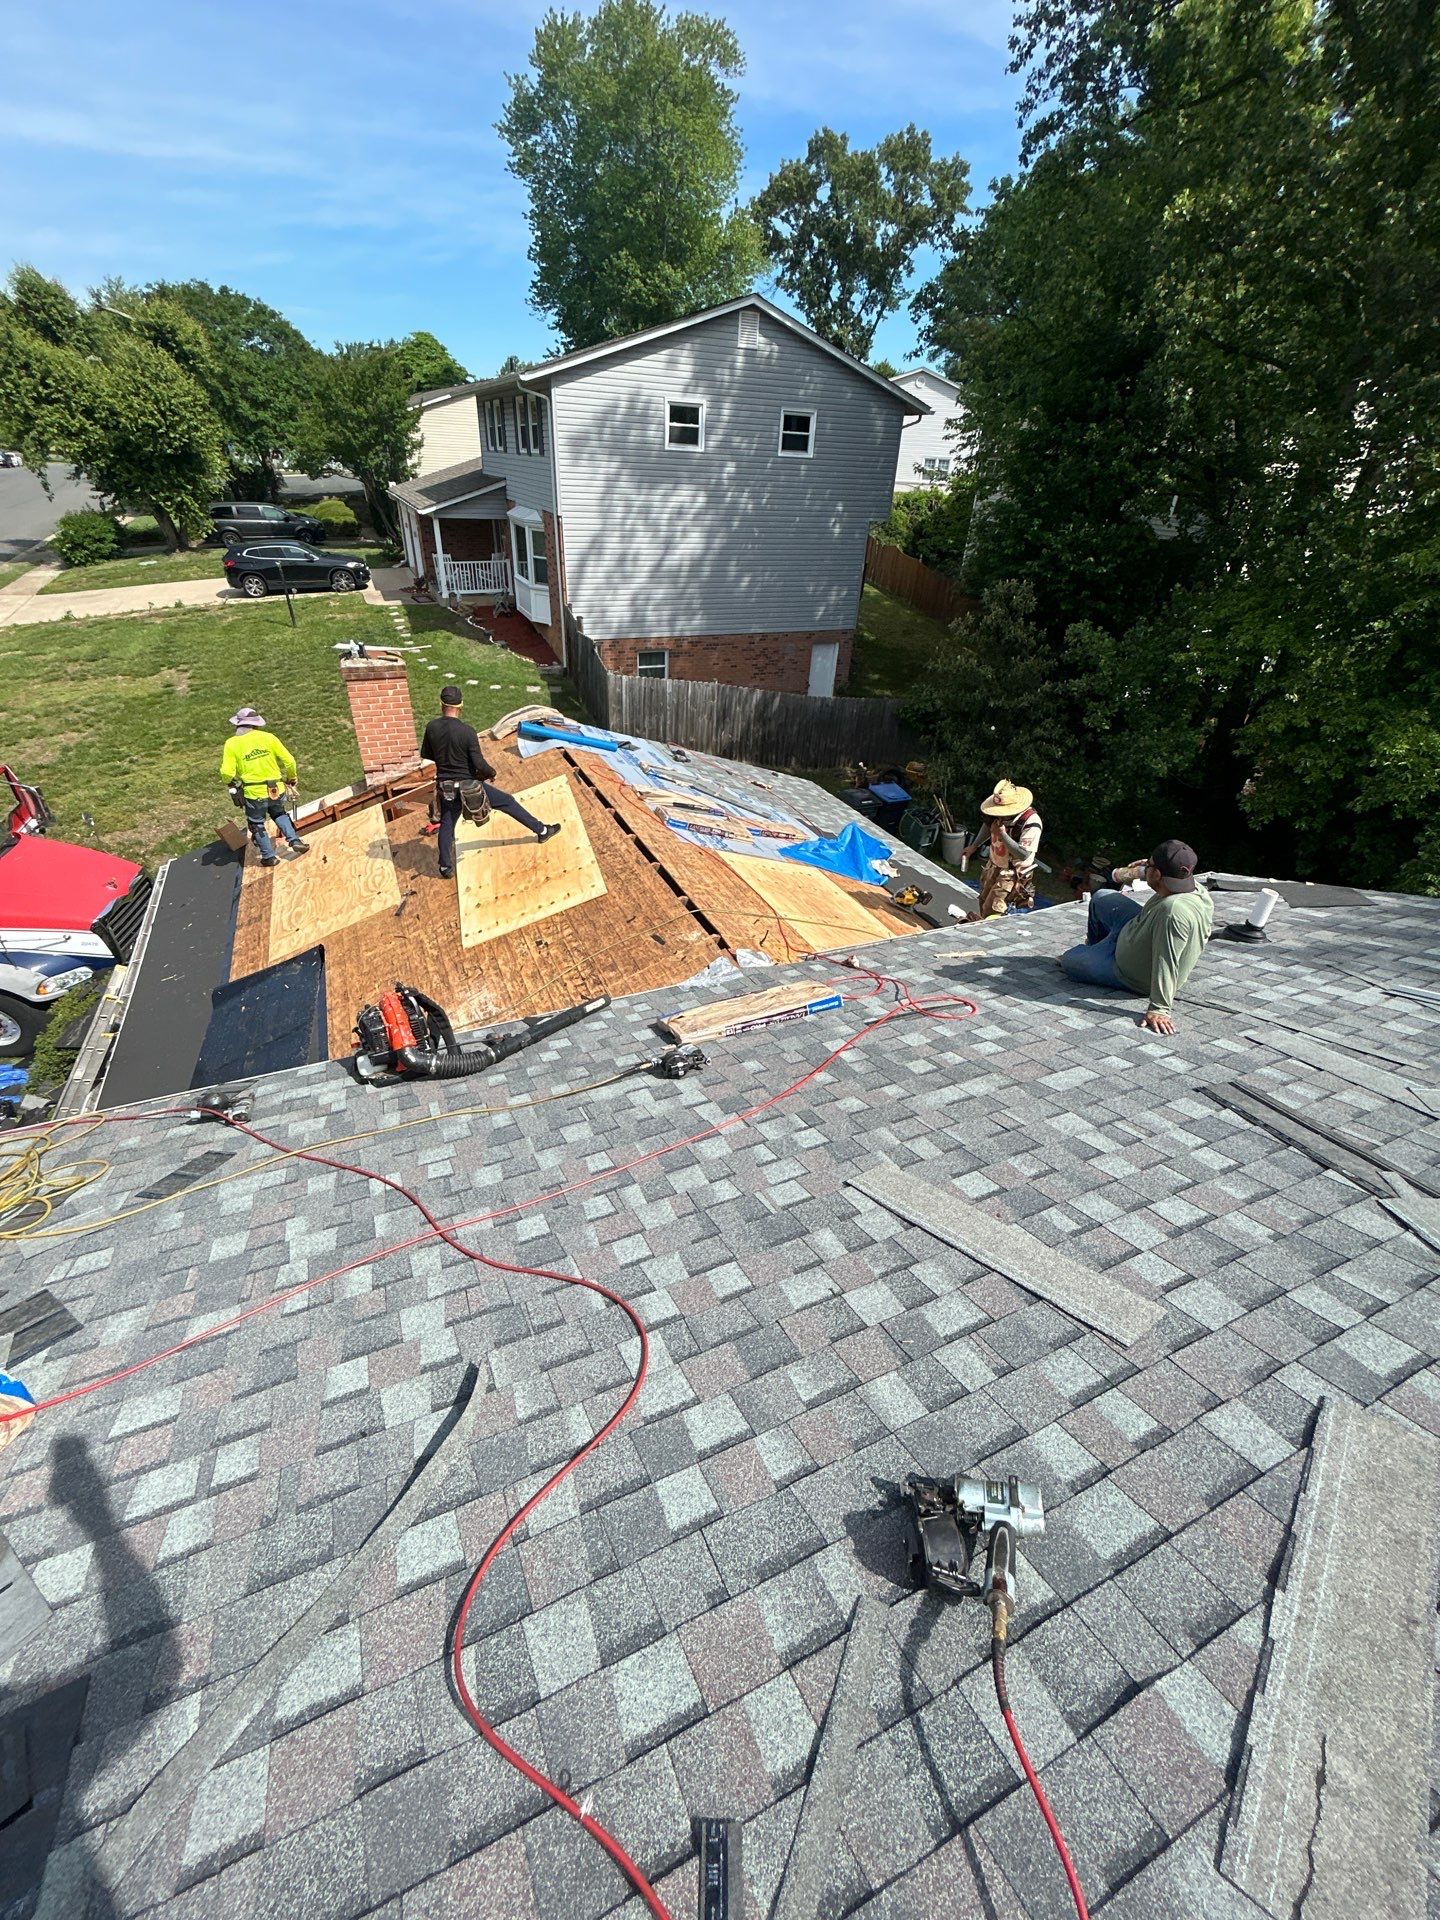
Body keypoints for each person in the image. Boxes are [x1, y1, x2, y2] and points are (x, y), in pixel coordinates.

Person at [1058, 839, 1213, 1034]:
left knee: (1069, 961)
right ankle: (1097, 947)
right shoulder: (1190, 885)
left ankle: (1097, 954)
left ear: (1157, 873)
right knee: (1101, 897)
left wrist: (1159, 1008)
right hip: (1135, 930)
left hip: (1130, 972)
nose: (1144, 867)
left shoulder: (1173, 911)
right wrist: (1145, 869)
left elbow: (1167, 959)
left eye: (1149, 865)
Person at [420, 687, 559, 879]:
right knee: (507, 802)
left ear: (441, 704)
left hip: (446, 788)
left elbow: (427, 755)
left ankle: (445, 867)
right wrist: (491, 773)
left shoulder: (432, 728)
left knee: (446, 823)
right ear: (461, 705)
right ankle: (542, 830)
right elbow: (479, 764)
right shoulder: (467, 732)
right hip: (469, 788)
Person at [220, 707, 309, 868]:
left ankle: (269, 856)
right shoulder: (268, 738)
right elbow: (290, 761)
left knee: (256, 823)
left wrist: (229, 782)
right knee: (279, 813)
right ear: (256, 725)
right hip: (276, 789)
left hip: (254, 793)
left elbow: (227, 772)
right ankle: (294, 840)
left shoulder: (232, 744)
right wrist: (292, 778)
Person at [962, 779, 1043, 917]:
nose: (997, 815)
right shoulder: (997, 815)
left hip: (1011, 874)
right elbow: (988, 826)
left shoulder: (1031, 823)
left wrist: (1003, 835)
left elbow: (1023, 854)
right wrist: (974, 846)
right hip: (993, 866)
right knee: (983, 900)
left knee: (992, 910)